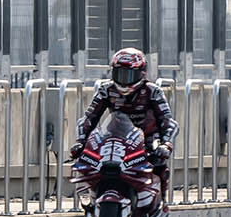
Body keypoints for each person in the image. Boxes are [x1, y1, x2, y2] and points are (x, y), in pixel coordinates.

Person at [74, 48, 175, 191]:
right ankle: (95, 196)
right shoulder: (106, 89)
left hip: (147, 140)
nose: (124, 80)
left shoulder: (152, 91)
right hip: (116, 138)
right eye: (119, 73)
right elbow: (90, 117)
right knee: (93, 164)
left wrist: (166, 145)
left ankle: (159, 199)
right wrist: (81, 142)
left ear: (142, 73)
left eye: (129, 75)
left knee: (159, 165)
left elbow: (167, 120)